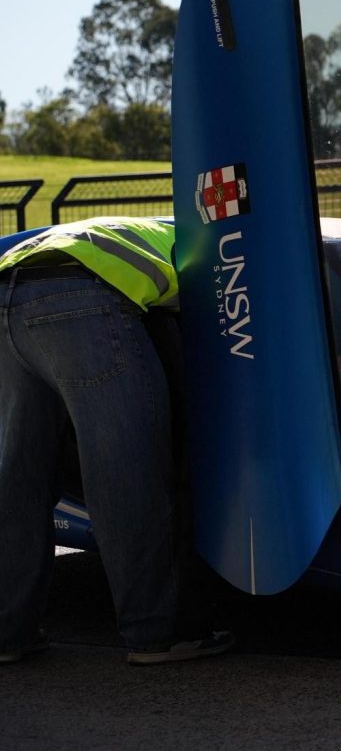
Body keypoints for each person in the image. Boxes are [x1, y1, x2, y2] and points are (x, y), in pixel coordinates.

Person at [0, 216, 234, 666]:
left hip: (7, 292)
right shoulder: (225, 257)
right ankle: (157, 633)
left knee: (20, 477)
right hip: (82, 300)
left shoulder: (153, 230)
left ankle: (8, 632)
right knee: (125, 471)